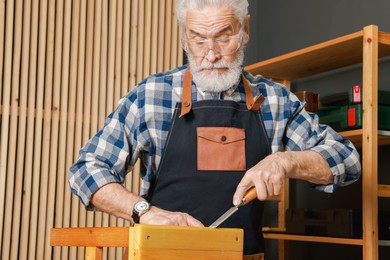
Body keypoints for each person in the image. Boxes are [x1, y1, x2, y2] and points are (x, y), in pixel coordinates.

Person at [69, 0, 361, 257]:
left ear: (245, 29)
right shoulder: (151, 95)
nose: (210, 55)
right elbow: (86, 170)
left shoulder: (275, 100)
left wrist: (285, 161)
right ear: (185, 37)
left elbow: (347, 160)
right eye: (198, 40)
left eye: (224, 38)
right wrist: (144, 212)